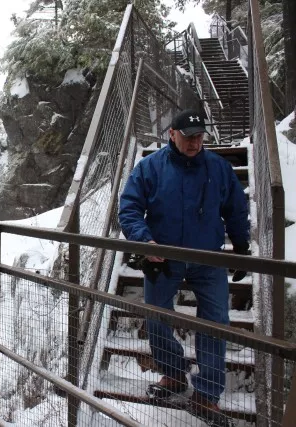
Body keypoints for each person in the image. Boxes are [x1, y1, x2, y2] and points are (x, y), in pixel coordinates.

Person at [118, 109, 249, 426]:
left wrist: (241, 247)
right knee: (157, 313)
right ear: (172, 135)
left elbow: (235, 208)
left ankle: (207, 395)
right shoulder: (150, 167)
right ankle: (174, 373)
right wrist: (144, 242)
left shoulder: (218, 168)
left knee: (215, 323)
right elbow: (130, 207)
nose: (194, 142)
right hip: (163, 258)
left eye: (199, 136)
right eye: (187, 136)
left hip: (209, 259)